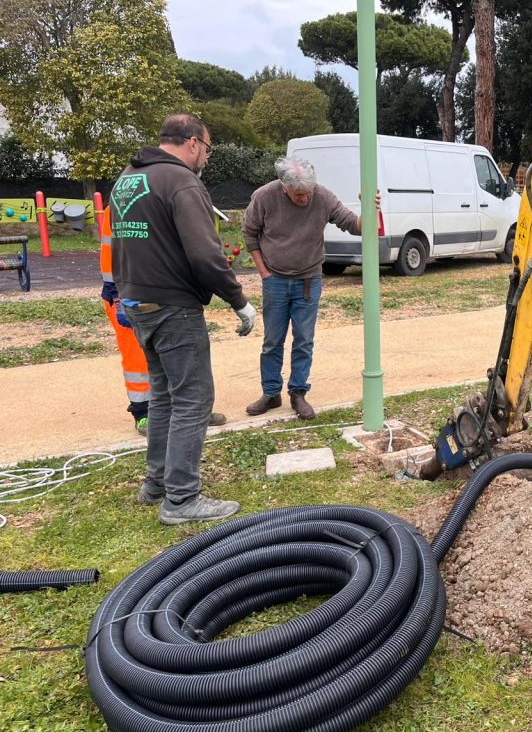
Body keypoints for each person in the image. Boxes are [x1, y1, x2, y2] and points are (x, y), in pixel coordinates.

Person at [110, 113, 257, 526]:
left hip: (136, 302)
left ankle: (155, 483)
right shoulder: (180, 181)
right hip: (173, 307)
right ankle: (181, 499)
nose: (206, 160)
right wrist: (239, 300)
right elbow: (205, 254)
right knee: (193, 399)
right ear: (193, 142)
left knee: (163, 397)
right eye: (207, 150)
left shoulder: (129, 178)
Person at [242, 156, 377, 420]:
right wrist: (264, 274)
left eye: (308, 193)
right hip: (275, 280)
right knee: (272, 341)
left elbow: (354, 225)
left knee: (304, 340)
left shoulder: (322, 197)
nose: (305, 199)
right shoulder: (264, 197)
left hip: (309, 280)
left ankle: (298, 393)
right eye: (298, 195)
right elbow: (249, 234)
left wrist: (370, 209)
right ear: (284, 188)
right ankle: (270, 393)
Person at [98, 205, 228, 435]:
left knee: (182, 354)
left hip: (166, 293)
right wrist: (116, 294)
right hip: (125, 294)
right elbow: (110, 251)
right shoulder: (120, 206)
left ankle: (192, 410)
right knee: (136, 358)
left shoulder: (167, 198)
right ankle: (143, 413)